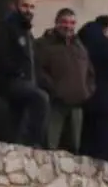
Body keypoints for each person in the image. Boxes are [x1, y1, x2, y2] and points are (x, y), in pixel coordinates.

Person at [0, 0, 49, 147]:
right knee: (41, 99)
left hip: (27, 82)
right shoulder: (8, 27)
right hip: (12, 82)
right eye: (25, 6)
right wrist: (18, 71)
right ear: (16, 6)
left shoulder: (27, 33)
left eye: (32, 7)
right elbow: (0, 55)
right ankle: (33, 144)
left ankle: (20, 144)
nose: (28, 10)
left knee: (16, 122)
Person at [35, 8, 94, 153]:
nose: (68, 26)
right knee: (50, 145)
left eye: (72, 23)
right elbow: (37, 70)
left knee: (74, 147)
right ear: (56, 23)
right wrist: (53, 89)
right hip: (55, 104)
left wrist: (87, 92)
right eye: (64, 22)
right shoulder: (43, 44)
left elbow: (90, 73)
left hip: (77, 105)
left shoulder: (80, 47)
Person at [78, 15, 108, 160]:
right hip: (103, 98)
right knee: (103, 142)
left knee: (86, 139)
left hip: (83, 95)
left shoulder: (79, 39)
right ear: (107, 28)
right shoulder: (106, 43)